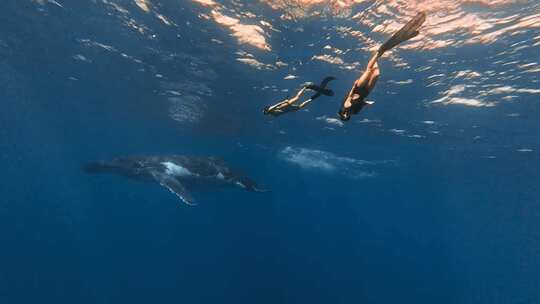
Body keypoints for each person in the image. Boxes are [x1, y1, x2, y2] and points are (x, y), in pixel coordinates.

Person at [338, 11, 427, 121]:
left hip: (358, 88)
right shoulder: (355, 112)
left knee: (369, 70)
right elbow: (360, 103)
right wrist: (367, 103)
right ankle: (377, 56)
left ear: (342, 113)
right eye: (347, 117)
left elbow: (350, 97)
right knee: (376, 74)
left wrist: (353, 86)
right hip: (365, 93)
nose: (347, 115)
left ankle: (378, 53)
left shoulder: (346, 106)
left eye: (345, 115)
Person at [264, 76, 336, 117]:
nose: (266, 114)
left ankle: (304, 88)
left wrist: (284, 101)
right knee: (299, 107)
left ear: (267, 110)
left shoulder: (270, 109)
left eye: (265, 113)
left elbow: (277, 105)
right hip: (287, 109)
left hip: (285, 105)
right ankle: (311, 99)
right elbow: (280, 112)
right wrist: (289, 109)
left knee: (297, 98)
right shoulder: (273, 114)